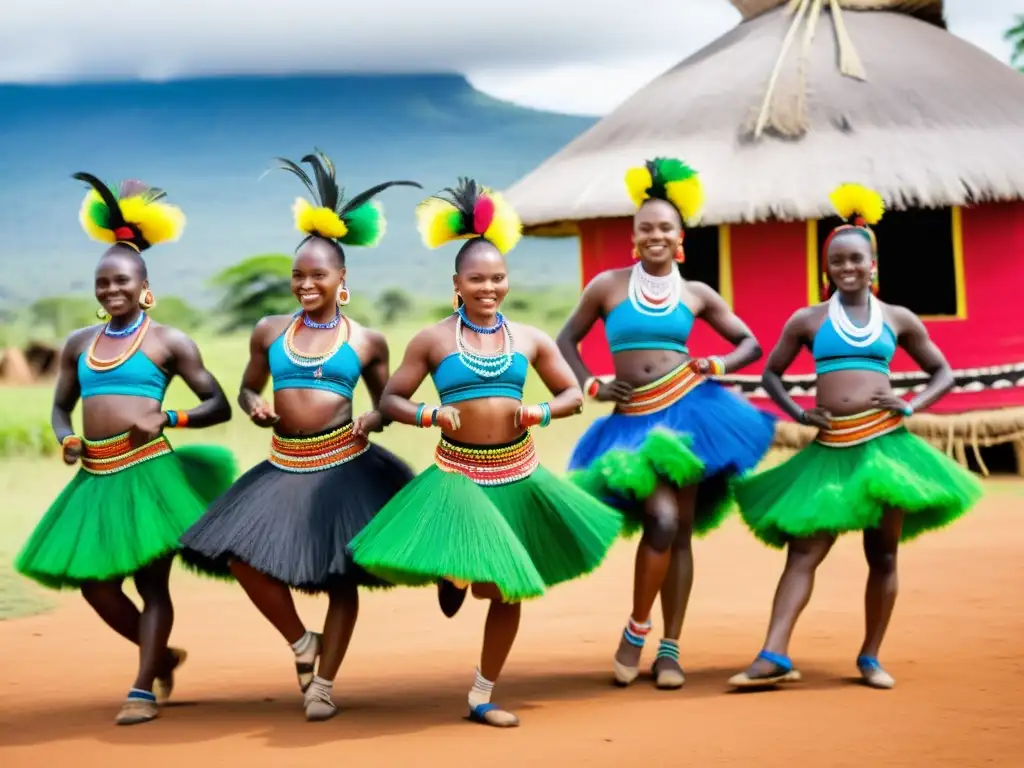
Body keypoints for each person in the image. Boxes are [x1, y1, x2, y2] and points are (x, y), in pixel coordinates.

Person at [347, 178, 624, 728]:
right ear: (457, 283)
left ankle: (483, 692)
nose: (488, 288)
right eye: (477, 279)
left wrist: (539, 413)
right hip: (458, 477)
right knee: (485, 576)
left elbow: (571, 393)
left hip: (518, 475)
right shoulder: (432, 340)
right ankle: (453, 572)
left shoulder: (529, 339)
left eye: (497, 278)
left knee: (504, 587)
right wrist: (431, 414)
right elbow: (391, 398)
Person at [179, 150, 420, 721]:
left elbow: (387, 402)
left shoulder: (367, 340)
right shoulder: (268, 332)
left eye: (318, 274)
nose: (306, 283)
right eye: (298, 274)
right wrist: (255, 404)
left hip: (347, 467)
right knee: (239, 555)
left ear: (343, 278)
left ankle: (324, 685)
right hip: (284, 465)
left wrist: (374, 419)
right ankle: (301, 643)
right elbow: (244, 390)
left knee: (340, 577)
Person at [727, 183, 984, 691]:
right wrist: (799, 412)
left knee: (883, 554)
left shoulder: (898, 319)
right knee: (804, 551)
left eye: (856, 260)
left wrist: (910, 404)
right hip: (830, 451)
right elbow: (772, 373)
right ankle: (772, 654)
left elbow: (943, 372)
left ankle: (870, 657)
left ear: (873, 265)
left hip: (885, 448)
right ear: (827, 269)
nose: (847, 268)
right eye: (837, 261)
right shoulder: (808, 319)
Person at [14, 174, 237, 726]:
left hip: (150, 474)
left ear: (144, 286)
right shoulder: (79, 345)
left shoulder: (169, 342)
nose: (111, 290)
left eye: (122, 281)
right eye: (102, 282)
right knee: (95, 584)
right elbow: (60, 406)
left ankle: (142, 687)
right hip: (97, 475)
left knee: (151, 581)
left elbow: (219, 404)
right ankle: (160, 656)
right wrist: (67, 438)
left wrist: (169, 416)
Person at [557, 157, 777, 690]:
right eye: (645, 228)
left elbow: (750, 343)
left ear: (680, 237)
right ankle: (637, 629)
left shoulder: (696, 293)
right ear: (633, 238)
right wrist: (592, 384)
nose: (655, 235)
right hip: (631, 419)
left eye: (664, 228)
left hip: (687, 414)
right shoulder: (606, 286)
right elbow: (566, 341)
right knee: (658, 520)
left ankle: (670, 650)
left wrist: (716, 364)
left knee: (678, 533)